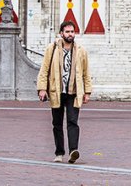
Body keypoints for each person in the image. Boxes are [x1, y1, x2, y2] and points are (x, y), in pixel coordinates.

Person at [37, 20, 93, 164]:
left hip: (74, 92)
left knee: (73, 121)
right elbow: (44, 69)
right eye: (67, 32)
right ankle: (59, 153)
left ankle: (73, 151)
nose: (70, 34)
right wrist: (42, 88)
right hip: (56, 91)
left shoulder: (81, 50)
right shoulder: (52, 48)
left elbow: (86, 73)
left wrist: (87, 92)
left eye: (72, 32)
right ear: (61, 33)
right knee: (57, 123)